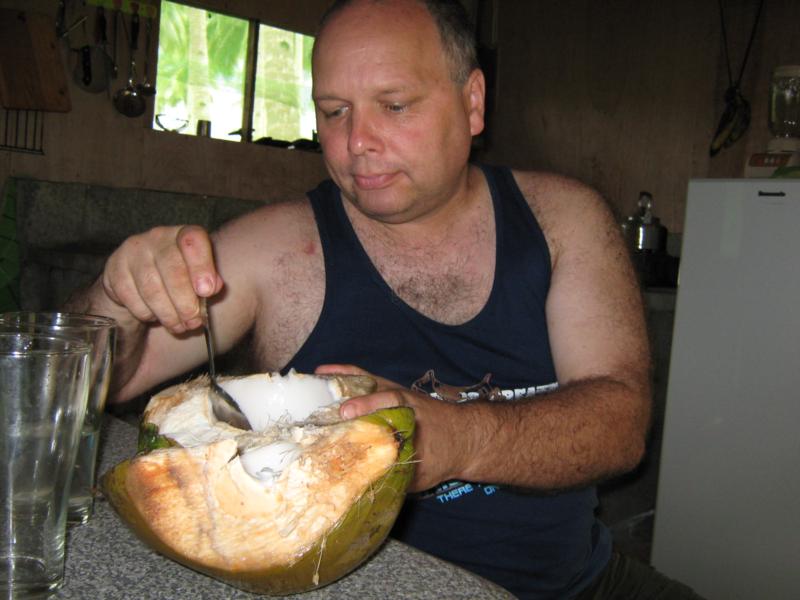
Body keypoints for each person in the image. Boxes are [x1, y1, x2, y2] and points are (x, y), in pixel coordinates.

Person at [67, 1, 703, 598]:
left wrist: (455, 439)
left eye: (394, 105)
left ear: (473, 102)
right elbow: (81, 388)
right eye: (335, 110)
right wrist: (117, 300)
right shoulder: (272, 250)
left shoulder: (564, 219)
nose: (357, 141)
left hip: (576, 584)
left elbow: (621, 424)